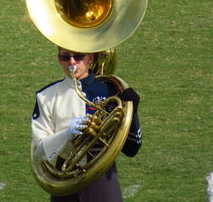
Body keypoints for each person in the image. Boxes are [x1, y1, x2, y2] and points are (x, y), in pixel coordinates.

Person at [31, 47, 142, 202]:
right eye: (65, 57)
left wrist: (132, 113)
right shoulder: (46, 96)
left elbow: (132, 148)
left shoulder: (111, 90)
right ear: (58, 59)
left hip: (103, 175)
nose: (72, 62)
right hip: (64, 175)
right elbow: (39, 151)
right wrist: (66, 134)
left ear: (90, 58)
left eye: (78, 56)